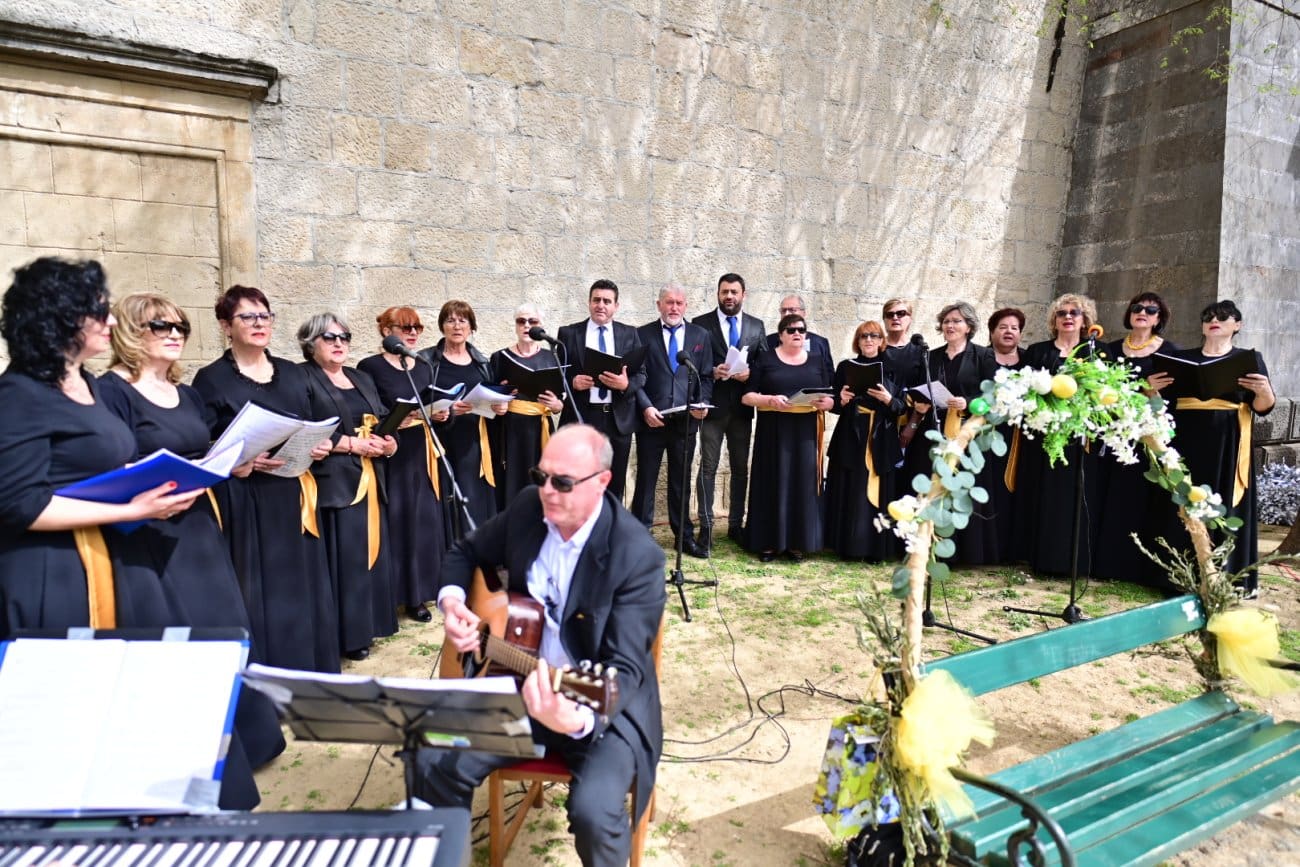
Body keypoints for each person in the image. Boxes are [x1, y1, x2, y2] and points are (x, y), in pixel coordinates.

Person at [416, 425, 666, 867]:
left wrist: (574, 719)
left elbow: (625, 671)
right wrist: (453, 603)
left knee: (593, 813)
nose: (547, 491)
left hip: (599, 707)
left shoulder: (636, 555)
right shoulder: (529, 508)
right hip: (513, 684)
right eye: (541, 476)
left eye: (563, 482)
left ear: (602, 482)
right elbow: (465, 551)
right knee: (431, 756)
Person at [100, 290, 285, 809]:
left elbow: (205, 449)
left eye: (180, 325)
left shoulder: (183, 392)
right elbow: (108, 462)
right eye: (161, 326)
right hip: (151, 534)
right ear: (131, 331)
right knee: (184, 643)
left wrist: (235, 463)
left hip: (200, 525)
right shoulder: (111, 391)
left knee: (226, 631)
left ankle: (251, 743)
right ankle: (204, 762)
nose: (175, 334)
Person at [0, 258, 200, 639]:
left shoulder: (88, 382)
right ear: (60, 318)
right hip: (56, 571)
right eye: (99, 312)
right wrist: (130, 510)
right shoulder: (19, 393)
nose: (111, 321)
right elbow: (20, 504)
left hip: (115, 553)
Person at [192, 285, 339, 672]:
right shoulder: (211, 379)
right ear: (226, 326)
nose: (259, 324)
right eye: (248, 317)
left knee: (301, 582)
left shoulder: (292, 372)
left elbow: (311, 423)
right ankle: (268, 670)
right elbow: (204, 443)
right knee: (261, 586)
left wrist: (319, 444)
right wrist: (238, 459)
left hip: (294, 491)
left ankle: (309, 667)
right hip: (247, 498)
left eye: (265, 316)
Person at [299, 312, 399, 662]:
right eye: (330, 337)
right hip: (335, 481)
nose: (339, 343)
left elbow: (383, 418)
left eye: (344, 337)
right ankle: (347, 636)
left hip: (371, 474)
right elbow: (303, 426)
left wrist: (390, 443)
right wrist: (351, 444)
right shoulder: (303, 378)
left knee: (371, 555)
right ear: (311, 343)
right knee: (348, 559)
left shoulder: (360, 377)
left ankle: (371, 625)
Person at [1166, 300, 1274, 597]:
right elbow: (1164, 398)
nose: (1214, 320)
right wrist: (1152, 386)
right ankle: (1180, 573)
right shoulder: (1181, 358)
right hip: (1185, 436)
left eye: (1223, 317)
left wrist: (1264, 391)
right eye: (1208, 317)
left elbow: (1262, 407)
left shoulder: (1248, 359)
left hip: (1228, 440)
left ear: (1237, 325)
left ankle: (1227, 576)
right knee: (1182, 498)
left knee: (1225, 500)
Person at [357, 306, 445, 623]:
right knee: (397, 521)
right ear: (386, 331)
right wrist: (395, 418)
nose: (412, 334)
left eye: (417, 328)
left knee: (422, 522)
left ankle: (419, 593)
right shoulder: (370, 366)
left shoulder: (422, 366)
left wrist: (440, 413)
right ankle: (394, 594)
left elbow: (430, 403)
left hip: (421, 449)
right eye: (405, 328)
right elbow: (369, 409)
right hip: (391, 450)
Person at [1093, 292, 1181, 588]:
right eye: (1137, 308)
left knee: (1141, 498)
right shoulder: (1110, 349)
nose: (1142, 312)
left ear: (1159, 318)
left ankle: (1136, 566)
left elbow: (1171, 398)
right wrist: (1142, 387)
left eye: (1150, 310)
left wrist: (1148, 392)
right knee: (1111, 496)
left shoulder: (1169, 352)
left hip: (1148, 437)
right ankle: (1106, 563)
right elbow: (1100, 389)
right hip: (1113, 433)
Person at [1016, 293, 1107, 576]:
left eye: (1074, 313)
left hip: (1080, 436)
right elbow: (1024, 387)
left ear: (1085, 320)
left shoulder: (1096, 351)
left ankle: (1074, 561)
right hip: (1045, 433)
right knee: (1046, 495)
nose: (1068, 317)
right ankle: (1042, 559)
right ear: (1054, 320)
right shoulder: (1038, 351)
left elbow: (1104, 391)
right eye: (1061, 313)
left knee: (1076, 496)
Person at [906, 303, 999, 564]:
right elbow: (917, 389)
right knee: (934, 484)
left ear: (969, 327)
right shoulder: (931, 357)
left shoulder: (983, 356)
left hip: (966, 431)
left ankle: (964, 551)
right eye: (946, 321)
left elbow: (993, 395)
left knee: (961, 485)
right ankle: (929, 545)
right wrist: (921, 401)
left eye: (956, 321)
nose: (950, 325)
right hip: (934, 429)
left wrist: (967, 402)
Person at [741, 313, 834, 561]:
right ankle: (768, 542)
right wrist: (769, 400)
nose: (797, 334)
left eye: (801, 330)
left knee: (802, 484)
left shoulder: (817, 360)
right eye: (791, 330)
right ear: (780, 335)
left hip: (805, 432)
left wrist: (828, 402)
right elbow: (747, 396)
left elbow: (829, 395)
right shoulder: (766, 358)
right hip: (773, 431)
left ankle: (797, 542)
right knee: (772, 481)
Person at [631, 285, 714, 556]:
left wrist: (702, 404)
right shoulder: (642, 334)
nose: (674, 307)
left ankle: (683, 537)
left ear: (686, 306)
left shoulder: (700, 336)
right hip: (651, 421)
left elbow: (705, 377)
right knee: (646, 480)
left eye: (679, 302)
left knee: (681, 481)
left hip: (685, 423)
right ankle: (639, 538)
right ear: (659, 305)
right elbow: (636, 376)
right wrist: (645, 407)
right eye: (669, 302)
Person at [419, 300, 509, 542]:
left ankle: (474, 552)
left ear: (471, 327)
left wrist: (499, 407)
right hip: (439, 442)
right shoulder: (426, 360)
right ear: (442, 326)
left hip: (473, 443)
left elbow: (492, 399)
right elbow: (418, 401)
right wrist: (443, 410)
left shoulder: (482, 363)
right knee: (443, 501)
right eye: (450, 320)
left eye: (462, 320)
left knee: (473, 500)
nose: (457, 326)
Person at [691, 272, 766, 551]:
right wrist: (712, 371)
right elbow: (693, 364)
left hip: (742, 410)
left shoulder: (756, 326)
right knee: (708, 467)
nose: (729, 296)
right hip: (712, 407)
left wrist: (750, 375)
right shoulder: (701, 324)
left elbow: (764, 365)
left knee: (740, 468)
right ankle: (706, 527)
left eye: (734, 292)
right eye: (725, 292)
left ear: (743, 295)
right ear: (718, 294)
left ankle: (736, 525)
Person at [557, 280, 646, 501]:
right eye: (596, 300)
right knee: (579, 480)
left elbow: (641, 374)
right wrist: (572, 382)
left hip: (617, 419)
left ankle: (610, 522)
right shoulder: (569, 333)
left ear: (616, 306)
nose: (601, 305)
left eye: (607, 301)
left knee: (613, 483)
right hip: (582, 416)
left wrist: (625, 385)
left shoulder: (629, 333)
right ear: (589, 302)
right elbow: (557, 374)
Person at [825, 321, 905, 561]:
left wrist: (888, 399)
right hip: (851, 434)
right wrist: (841, 399)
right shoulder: (845, 367)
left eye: (874, 336)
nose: (869, 340)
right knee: (850, 488)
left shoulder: (892, 369)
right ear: (857, 341)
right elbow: (834, 405)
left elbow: (901, 408)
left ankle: (875, 549)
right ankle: (848, 547)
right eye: (863, 336)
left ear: (881, 341)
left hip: (880, 436)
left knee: (878, 491)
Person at [491, 303, 564, 506]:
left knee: (542, 479)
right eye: (521, 321)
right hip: (511, 429)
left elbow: (561, 399)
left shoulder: (552, 357)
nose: (526, 325)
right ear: (515, 325)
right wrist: (497, 404)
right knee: (513, 481)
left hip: (541, 428)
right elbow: (489, 397)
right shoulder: (500, 358)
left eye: (532, 321)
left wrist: (557, 405)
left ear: (541, 325)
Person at [986, 307, 1028, 565]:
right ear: (992, 332)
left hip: (1019, 434)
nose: (1008, 331)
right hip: (986, 432)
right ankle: (988, 548)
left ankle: (1014, 550)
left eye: (1014, 328)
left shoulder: (1030, 359)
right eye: (1002, 327)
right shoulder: (981, 358)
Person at [764, 294, 833, 383]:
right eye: (783, 311)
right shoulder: (768, 341)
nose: (786, 314)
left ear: (803, 313)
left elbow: (830, 377)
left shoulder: (820, 343)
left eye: (792, 310)